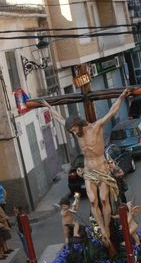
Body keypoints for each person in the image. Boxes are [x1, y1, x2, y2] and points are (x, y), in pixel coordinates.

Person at [48, 89, 129, 245]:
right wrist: (50, 108)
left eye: (73, 129)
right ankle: (102, 230)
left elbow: (111, 112)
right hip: (88, 171)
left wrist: (121, 96)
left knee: (104, 199)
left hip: (102, 169)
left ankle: (106, 227)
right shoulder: (76, 134)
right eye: (70, 131)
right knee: (93, 201)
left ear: (78, 124)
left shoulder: (96, 127)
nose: (73, 132)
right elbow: (60, 118)